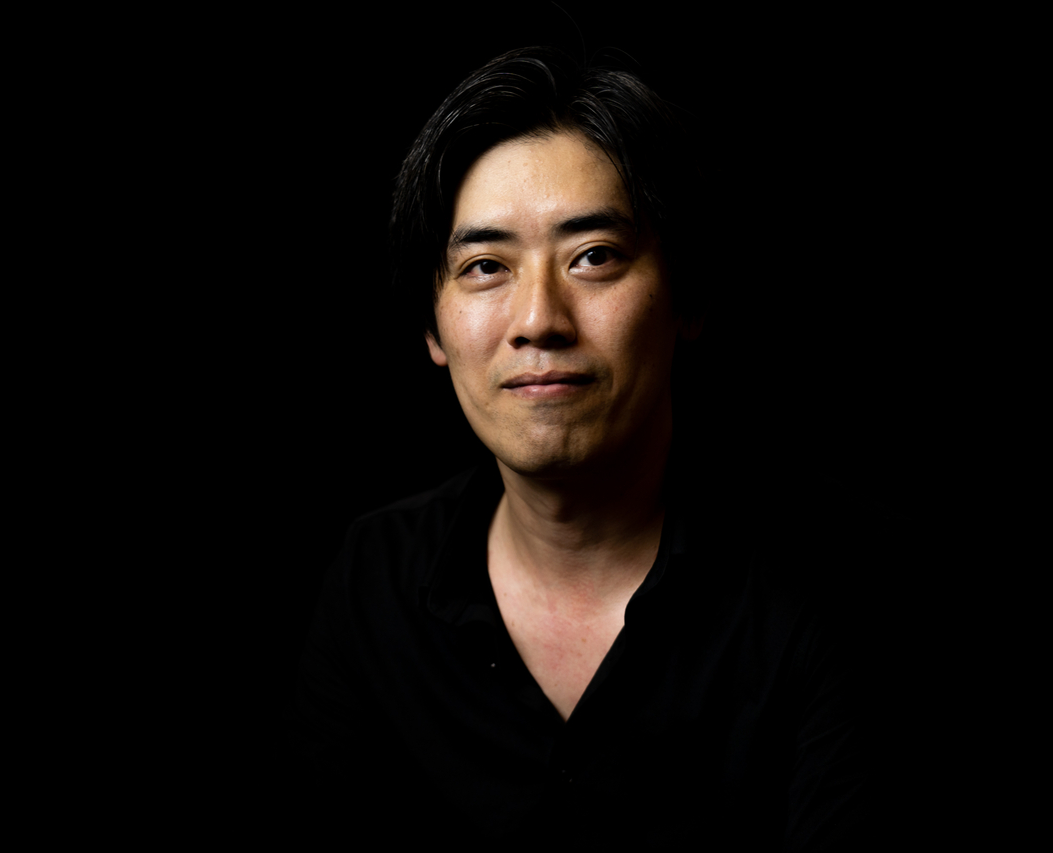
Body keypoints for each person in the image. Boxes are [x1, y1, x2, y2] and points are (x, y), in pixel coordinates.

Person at [290, 47, 870, 848]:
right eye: (485, 266)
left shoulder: (835, 571)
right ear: (433, 327)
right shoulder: (374, 580)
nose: (539, 319)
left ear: (688, 295)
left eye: (593, 256)